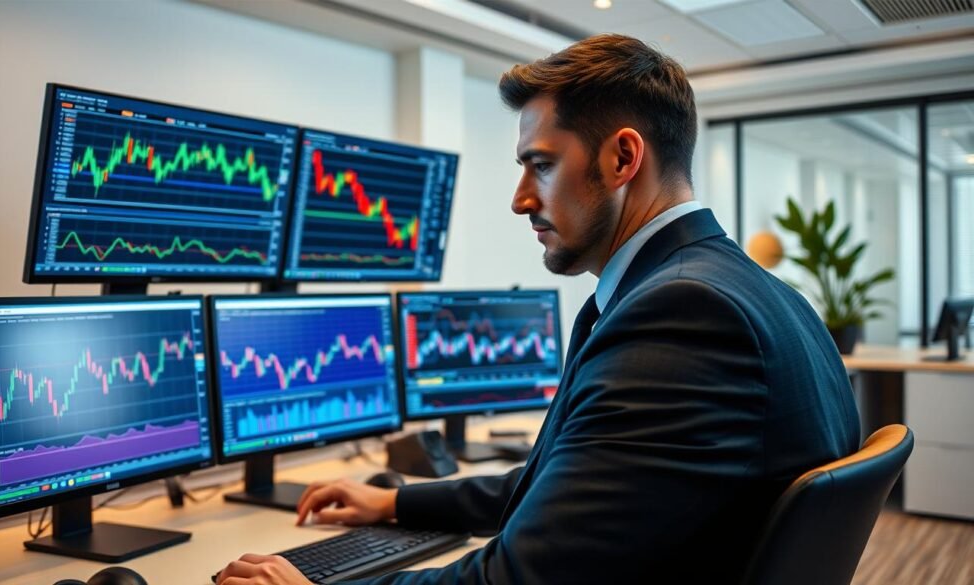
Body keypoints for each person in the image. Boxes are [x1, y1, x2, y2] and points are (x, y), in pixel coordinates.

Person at [216, 34, 860, 585]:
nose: (521, 199)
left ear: (623, 158)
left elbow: (518, 578)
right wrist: (394, 503)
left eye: (540, 166)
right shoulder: (753, 291)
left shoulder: (681, 316)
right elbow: (571, 490)